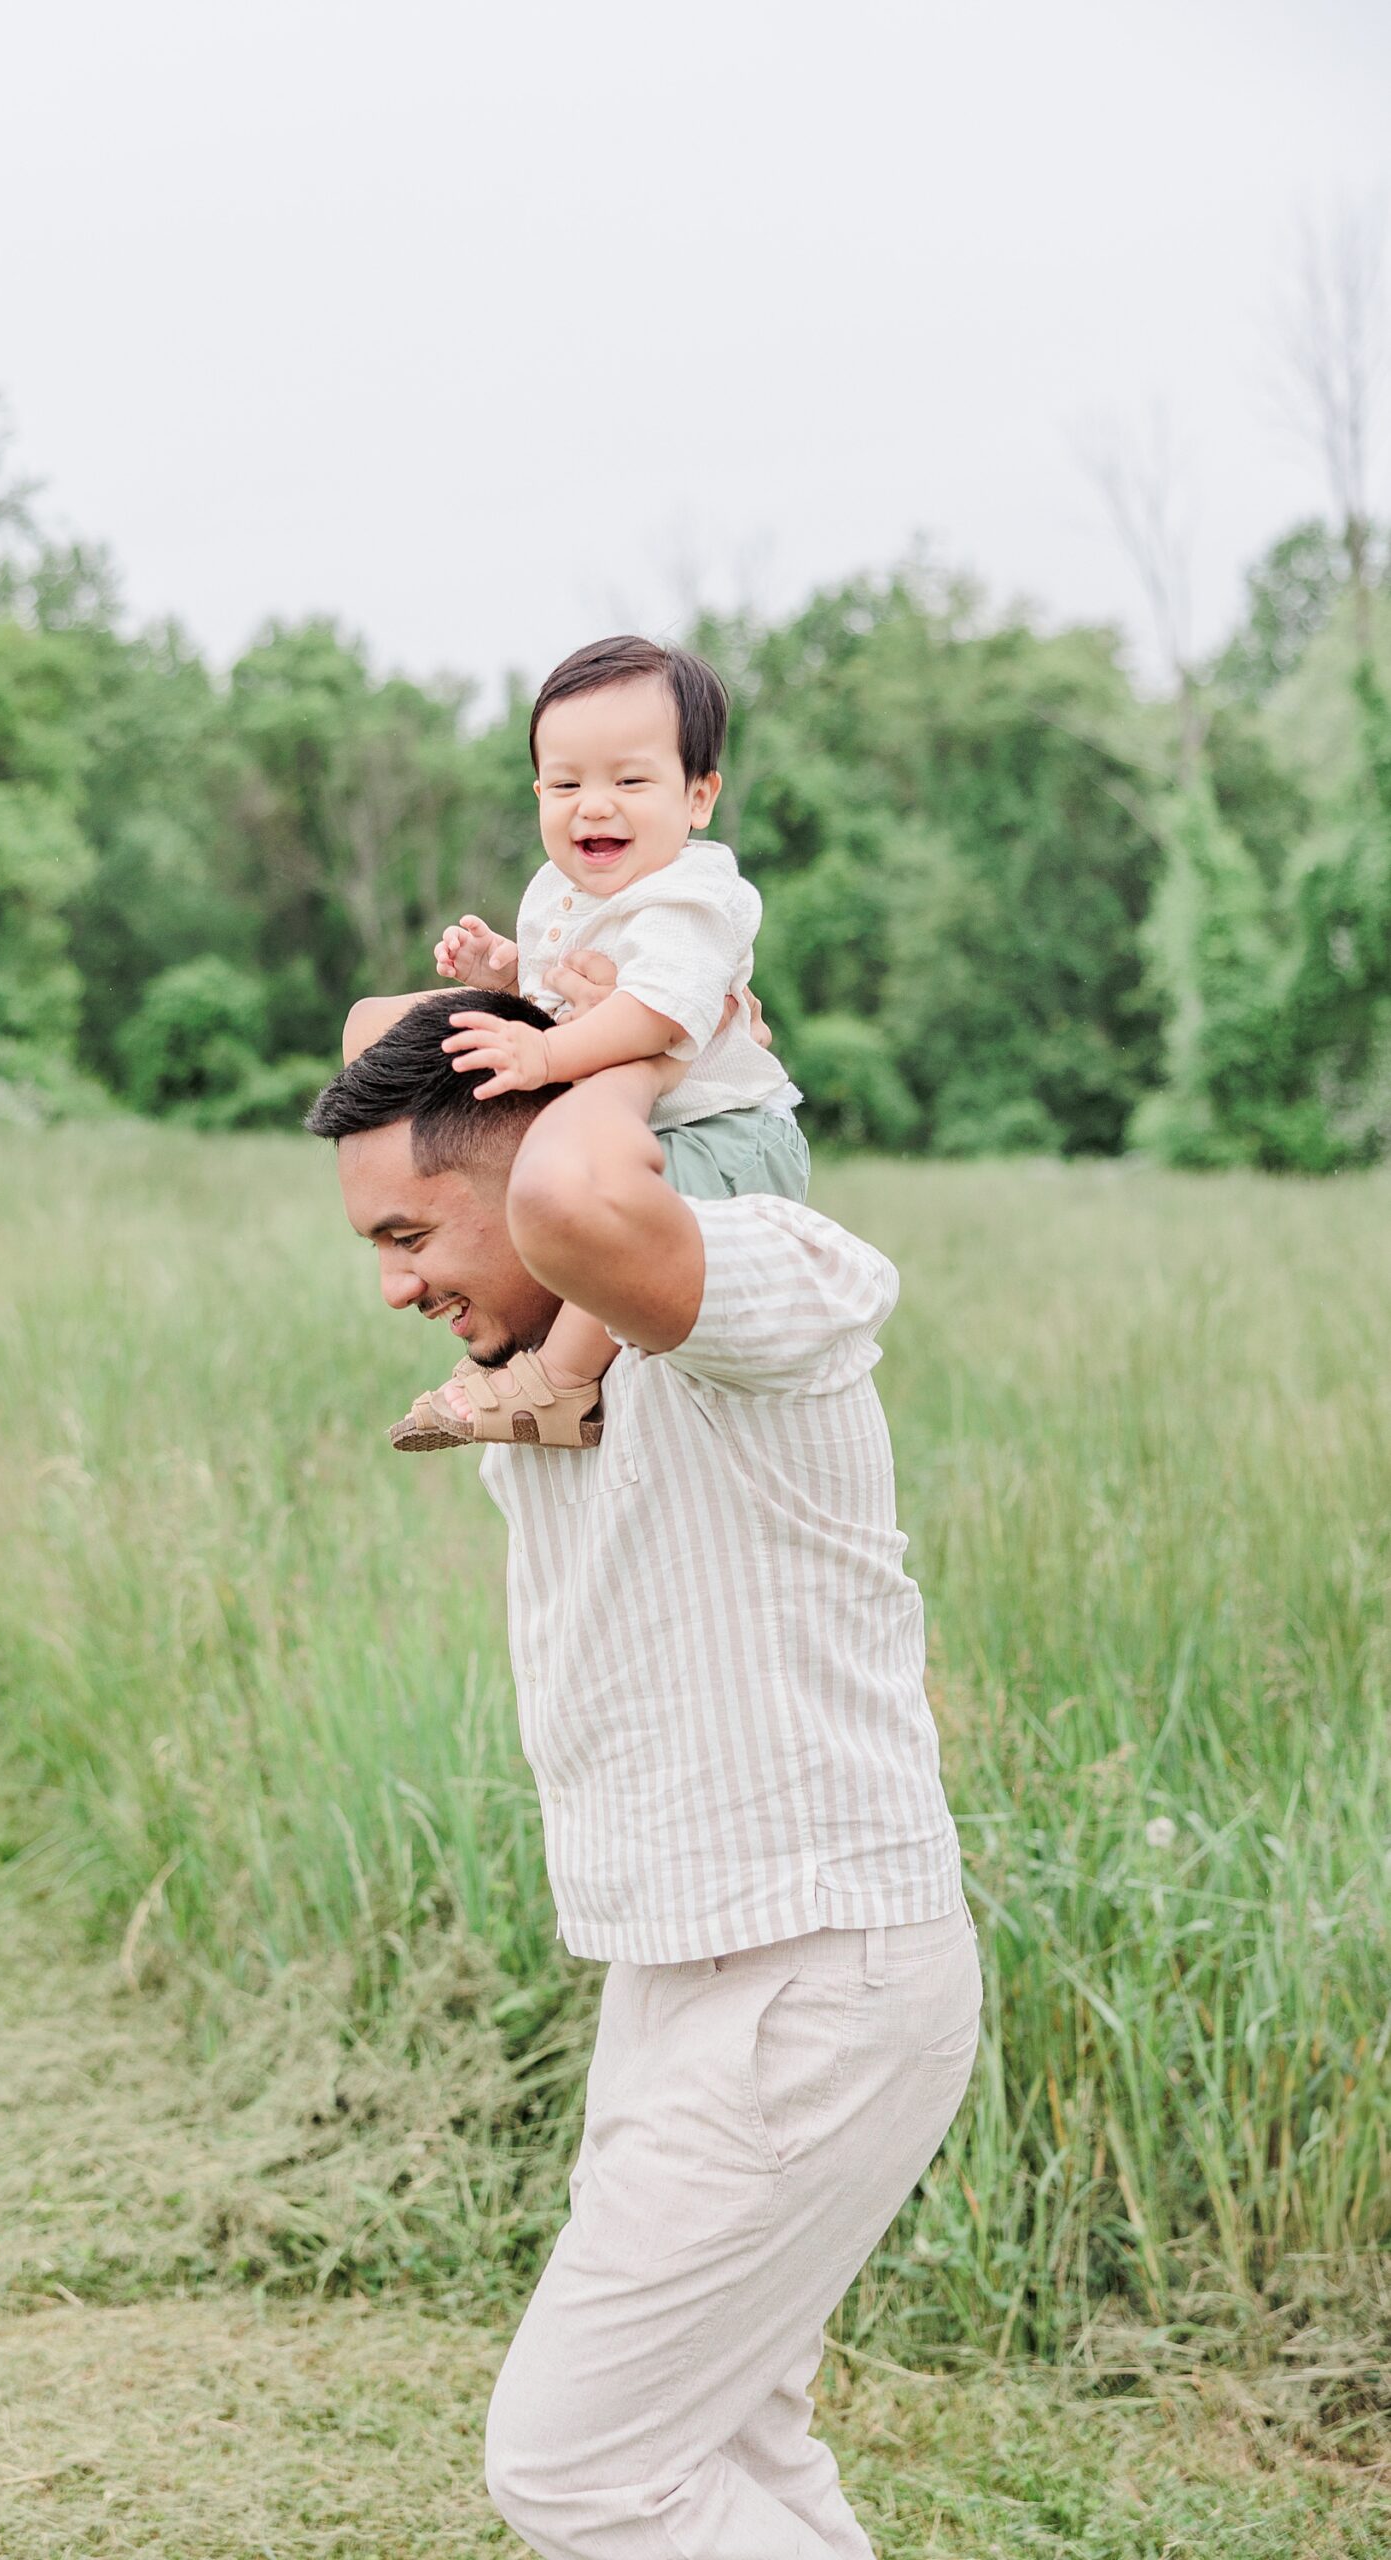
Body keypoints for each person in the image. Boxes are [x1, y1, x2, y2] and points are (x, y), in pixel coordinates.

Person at [305, 996, 979, 2560]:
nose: (394, 1285)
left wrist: (636, 1050)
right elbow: (390, 1028)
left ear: (547, 1157)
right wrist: (567, 997)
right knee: (729, 2431)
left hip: (812, 1970)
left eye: (409, 1232)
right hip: (679, 1964)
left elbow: (569, 1195)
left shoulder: (740, 1275)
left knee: (577, 2465)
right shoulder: (552, 1354)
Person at [385, 632, 809, 1455]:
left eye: (629, 779)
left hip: (722, 1137)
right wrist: (508, 980)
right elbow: (569, 1004)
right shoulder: (564, 892)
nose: (593, 804)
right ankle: (541, 1353)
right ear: (538, 790)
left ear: (697, 797)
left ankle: (561, 1384)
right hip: (643, 1123)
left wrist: (541, 1057)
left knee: (609, 1219)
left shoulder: (688, 898)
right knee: (567, 1198)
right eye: (567, 783)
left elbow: (651, 1013)